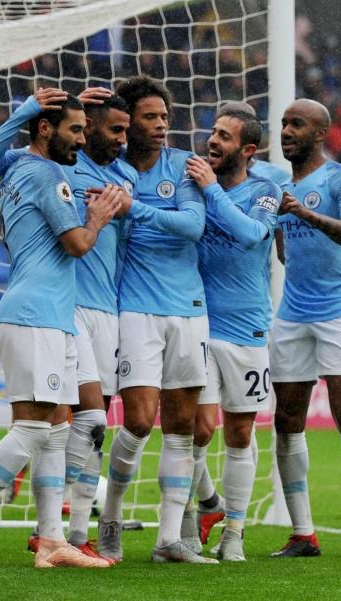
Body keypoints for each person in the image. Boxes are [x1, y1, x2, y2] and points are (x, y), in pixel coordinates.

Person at [0, 94, 122, 569]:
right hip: (37, 313)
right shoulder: (46, 176)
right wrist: (99, 215)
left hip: (49, 313)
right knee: (34, 427)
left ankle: (53, 541)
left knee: (57, 429)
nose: (82, 140)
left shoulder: (17, 164)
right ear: (45, 129)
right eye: (75, 130)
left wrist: (21, 110)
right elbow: (78, 244)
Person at [97, 76, 217, 564]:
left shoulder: (184, 167)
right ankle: (110, 517)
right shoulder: (112, 171)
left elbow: (193, 226)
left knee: (182, 426)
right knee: (141, 420)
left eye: (164, 116)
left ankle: (170, 539)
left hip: (189, 309)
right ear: (128, 125)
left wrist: (136, 210)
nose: (162, 125)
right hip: (137, 311)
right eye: (151, 117)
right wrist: (133, 207)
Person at [270, 98, 341, 558]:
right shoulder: (279, 186)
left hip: (340, 309)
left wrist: (305, 216)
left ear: (321, 134)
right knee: (286, 420)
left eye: (296, 124)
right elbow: (283, 250)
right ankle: (303, 533)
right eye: (283, 124)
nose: (286, 131)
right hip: (293, 313)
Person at [180, 106, 281, 561]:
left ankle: (234, 532)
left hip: (246, 328)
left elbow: (249, 235)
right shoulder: (194, 182)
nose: (213, 141)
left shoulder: (264, 190)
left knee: (238, 433)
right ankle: (197, 513)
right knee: (195, 429)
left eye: (225, 135)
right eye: (213, 132)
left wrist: (211, 190)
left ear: (248, 150)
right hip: (197, 321)